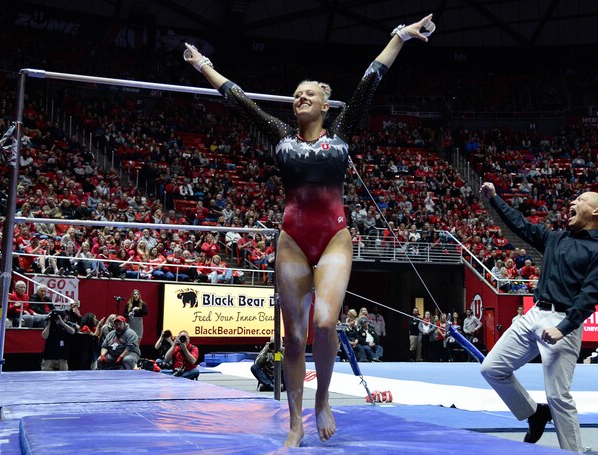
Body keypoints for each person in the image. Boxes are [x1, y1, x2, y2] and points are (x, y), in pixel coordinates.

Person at [184, 13, 434, 447]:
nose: (301, 97)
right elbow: (239, 98)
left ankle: (323, 400)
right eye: (297, 94)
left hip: (334, 235)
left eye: (310, 94)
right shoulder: (280, 135)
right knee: (295, 338)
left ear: (325, 105)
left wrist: (401, 36)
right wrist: (202, 64)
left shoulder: (342, 134)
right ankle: (295, 420)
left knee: (324, 322)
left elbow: (370, 79)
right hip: (292, 239)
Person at [478, 182, 598, 452]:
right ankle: (534, 413)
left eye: (580, 199)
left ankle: (572, 452)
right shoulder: (556, 238)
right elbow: (520, 225)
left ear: (597, 212)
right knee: (491, 369)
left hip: (562, 322)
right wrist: (495, 199)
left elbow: (591, 296)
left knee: (558, 396)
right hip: (533, 314)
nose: (572, 203)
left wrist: (564, 328)